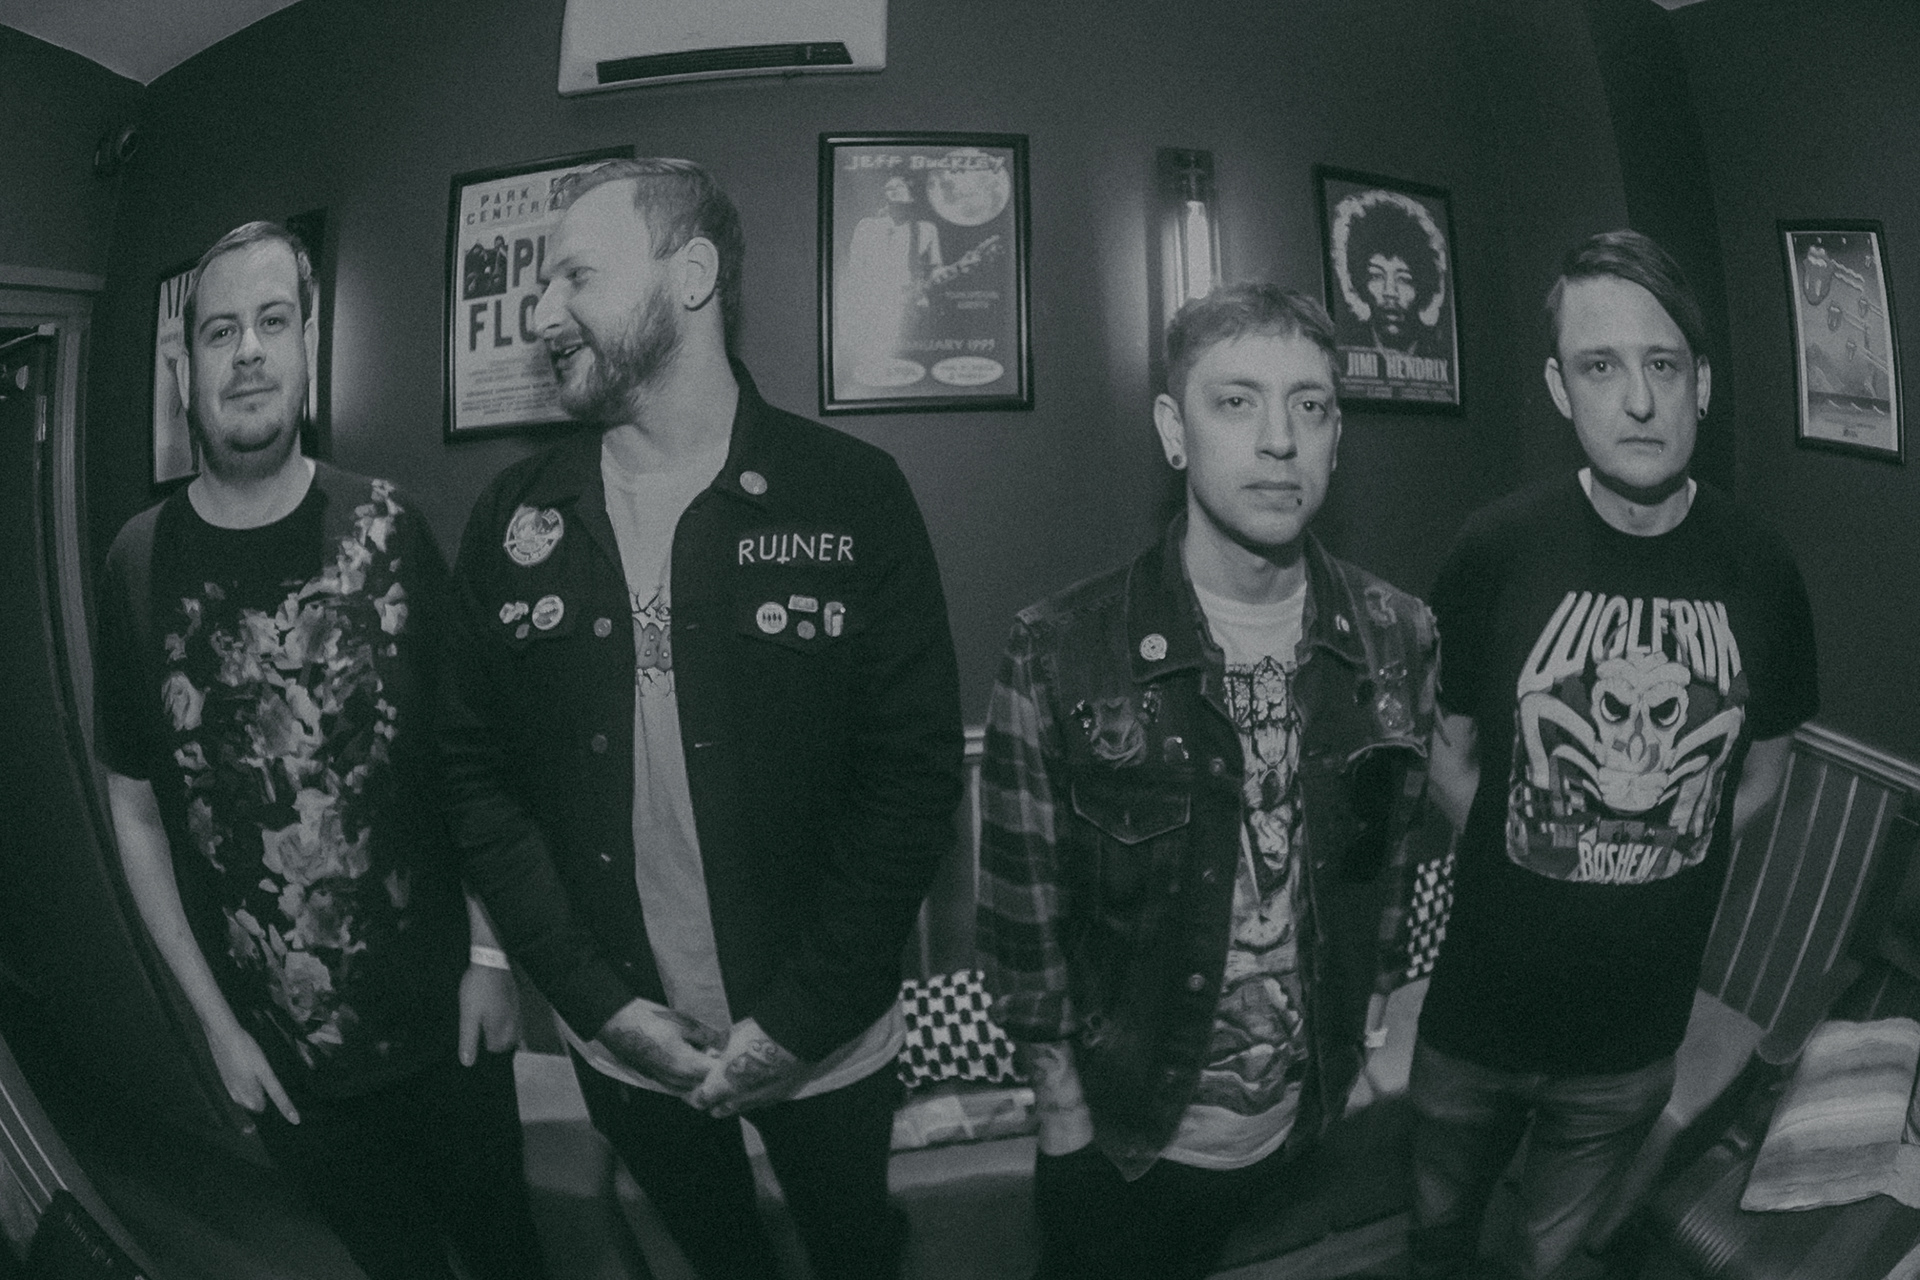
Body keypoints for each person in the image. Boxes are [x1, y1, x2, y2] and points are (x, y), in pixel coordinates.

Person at [440, 157, 963, 1280]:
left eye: (576, 275)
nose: (541, 315)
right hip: (624, 1047)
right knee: (720, 1256)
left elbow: (915, 777)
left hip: (827, 1042)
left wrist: (795, 1024)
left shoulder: (853, 492)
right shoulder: (511, 518)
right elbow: (475, 780)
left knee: (856, 1250)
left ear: (691, 275)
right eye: (541, 283)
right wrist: (599, 1007)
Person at [93, 221, 548, 1280]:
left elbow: (473, 762)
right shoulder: (136, 564)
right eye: (219, 331)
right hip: (289, 1074)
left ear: (307, 345)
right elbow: (135, 806)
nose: (247, 350)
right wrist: (217, 1029)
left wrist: (492, 955)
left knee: (507, 1255)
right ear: (184, 368)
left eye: (271, 321)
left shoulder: (392, 526)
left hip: (450, 1031)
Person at [978, 283, 1438, 1279]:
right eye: (1236, 401)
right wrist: (1063, 1118)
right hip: (1124, 1136)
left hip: (1303, 1114)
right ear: (1171, 430)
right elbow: (1023, 916)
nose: (1279, 438)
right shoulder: (1059, 649)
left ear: (1336, 437)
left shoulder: (1397, 634)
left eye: (1310, 405)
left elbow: (1390, 845)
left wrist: (1370, 1010)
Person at [1412, 230, 1819, 1280]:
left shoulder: (1765, 569)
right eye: (1600, 365)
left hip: (1631, 1042)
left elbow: (1764, 768)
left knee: (1542, 1261)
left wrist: (1652, 846)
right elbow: (1448, 750)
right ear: (1560, 388)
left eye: (1664, 365)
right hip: (1475, 1017)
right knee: (1436, 1238)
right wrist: (1541, 853)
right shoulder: (1494, 547)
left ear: (1702, 385)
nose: (1638, 400)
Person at [844, 173, 944, 377]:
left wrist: (950, 272)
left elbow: (937, 268)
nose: (895, 187)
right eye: (891, 186)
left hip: (908, 304)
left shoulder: (926, 229)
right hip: (872, 302)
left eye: (902, 185)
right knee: (868, 361)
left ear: (913, 195)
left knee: (905, 362)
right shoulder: (866, 226)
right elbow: (855, 268)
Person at [1332, 190, 1448, 357]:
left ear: (1423, 285)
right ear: (1359, 280)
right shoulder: (1345, 347)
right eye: (1376, 276)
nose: (1390, 292)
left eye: (1404, 279)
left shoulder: (1439, 351)